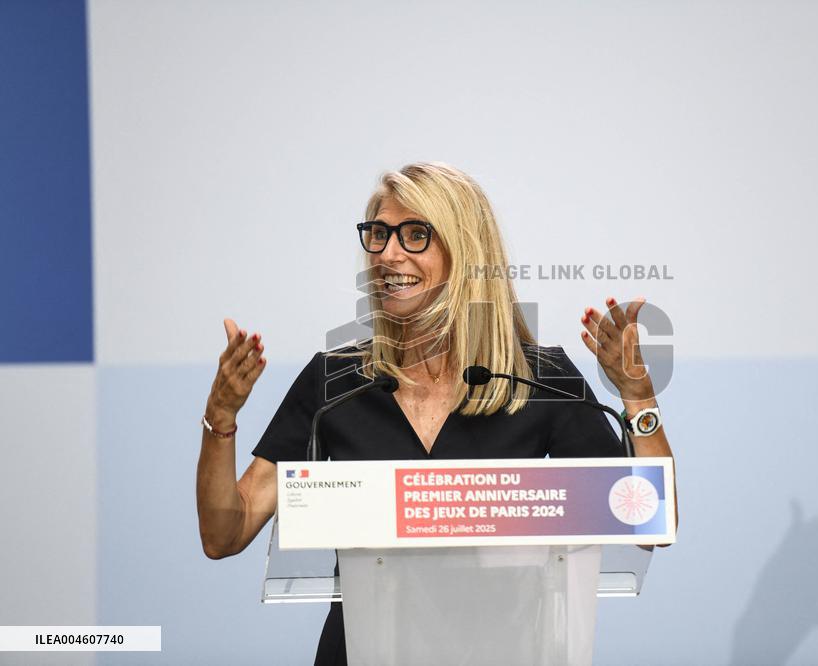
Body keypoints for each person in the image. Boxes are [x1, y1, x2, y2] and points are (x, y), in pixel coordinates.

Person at [196, 162, 673, 664]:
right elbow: (225, 533)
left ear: (466, 253)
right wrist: (219, 419)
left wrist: (638, 397)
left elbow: (648, 525)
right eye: (378, 235)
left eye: (415, 235)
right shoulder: (335, 382)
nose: (388, 253)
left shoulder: (538, 378)